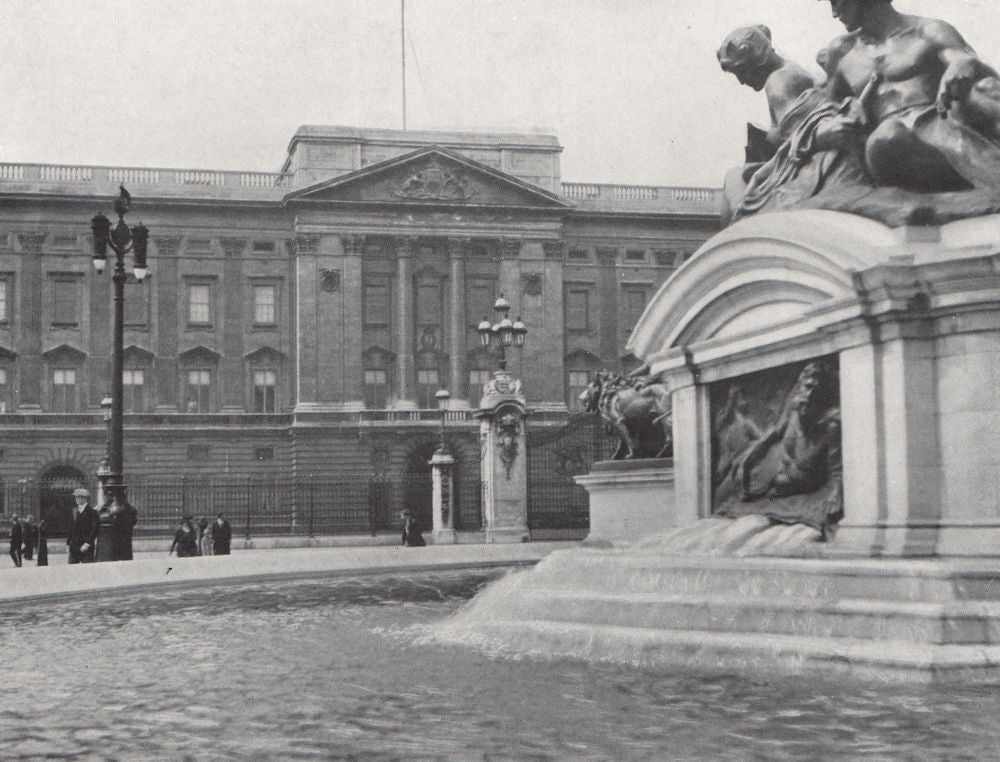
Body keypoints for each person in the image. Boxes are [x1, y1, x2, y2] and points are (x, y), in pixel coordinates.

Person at [816, 0, 1000, 192]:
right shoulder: (842, 50)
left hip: (939, 133)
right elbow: (827, 109)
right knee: (887, 135)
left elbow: (963, 60)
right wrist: (824, 131)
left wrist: (964, 64)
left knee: (983, 88)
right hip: (887, 147)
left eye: (838, 2)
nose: (834, 14)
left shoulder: (928, 31)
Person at [718, 24, 871, 219]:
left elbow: (801, 143)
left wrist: (762, 173)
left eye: (740, 72)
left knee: (732, 179)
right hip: (803, 163)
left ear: (756, 61)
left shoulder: (779, 83)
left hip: (805, 173)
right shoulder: (788, 73)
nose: (741, 81)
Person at [67, 488, 98, 564]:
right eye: (76, 497)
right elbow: (71, 528)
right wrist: (68, 543)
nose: (76, 499)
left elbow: (94, 530)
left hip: (86, 545)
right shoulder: (74, 511)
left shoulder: (92, 512)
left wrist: (88, 543)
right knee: (71, 568)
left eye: (79, 497)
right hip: (74, 545)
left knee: (87, 569)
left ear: (85, 498)